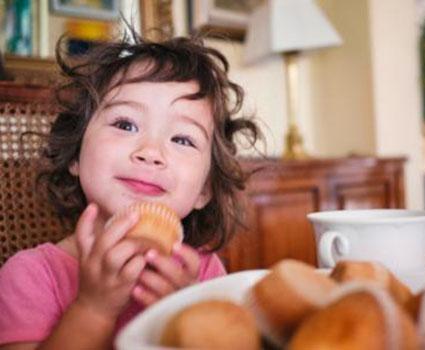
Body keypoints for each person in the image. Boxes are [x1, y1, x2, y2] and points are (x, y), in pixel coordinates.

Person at [0, 27, 261, 349]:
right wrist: (92, 309)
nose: (151, 152)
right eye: (125, 124)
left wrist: (188, 315)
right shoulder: (31, 275)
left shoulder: (203, 273)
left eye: (182, 139)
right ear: (74, 154)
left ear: (204, 190)